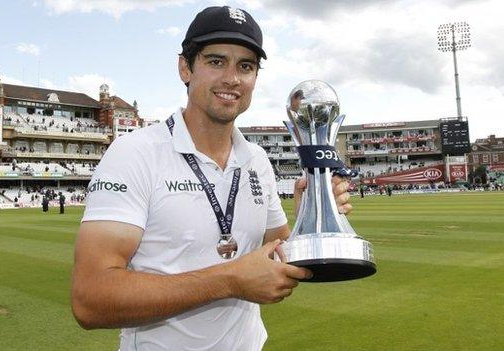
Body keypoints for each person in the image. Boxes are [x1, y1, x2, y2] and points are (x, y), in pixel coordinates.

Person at [71, 6, 353, 350]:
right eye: (216, 61)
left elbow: (278, 254)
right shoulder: (135, 153)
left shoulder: (257, 160)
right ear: (185, 67)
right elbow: (90, 300)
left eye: (245, 66)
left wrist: (312, 210)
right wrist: (229, 280)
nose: (232, 78)